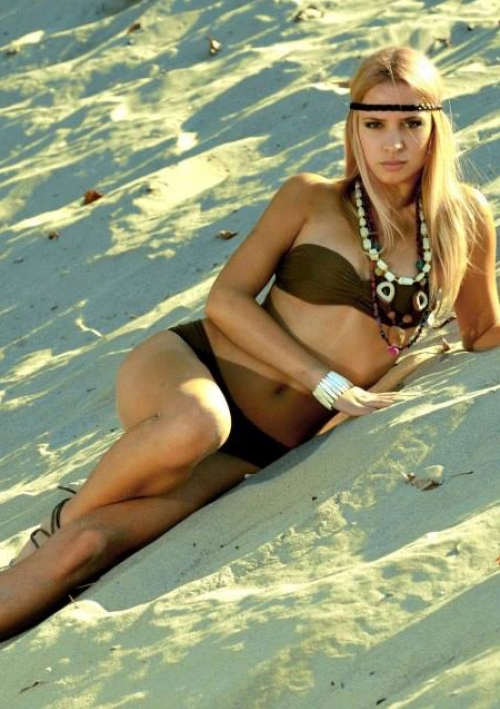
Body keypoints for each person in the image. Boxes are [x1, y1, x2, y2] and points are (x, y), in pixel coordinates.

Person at [1, 45, 499, 641]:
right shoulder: (310, 198)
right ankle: (57, 524)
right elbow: (226, 300)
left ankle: (59, 541)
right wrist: (326, 383)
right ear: (354, 129)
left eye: (410, 123)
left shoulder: (463, 222)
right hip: (193, 369)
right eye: (375, 124)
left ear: (435, 126)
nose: (393, 143)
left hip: (253, 454)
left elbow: (482, 331)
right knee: (195, 425)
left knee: (86, 550)